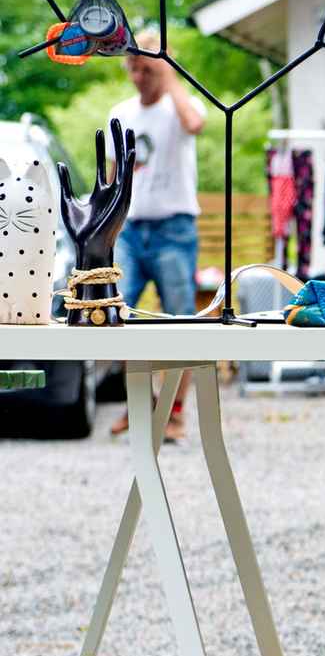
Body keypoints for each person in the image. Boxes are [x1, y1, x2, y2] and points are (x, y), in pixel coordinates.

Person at [108, 30, 202, 442]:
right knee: (116, 314)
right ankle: (141, 406)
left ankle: (175, 412)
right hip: (129, 230)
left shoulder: (179, 106)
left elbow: (195, 124)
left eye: (147, 68)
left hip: (173, 228)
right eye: (134, 68)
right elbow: (111, 177)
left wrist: (170, 74)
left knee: (181, 323)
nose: (140, 76)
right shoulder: (121, 112)